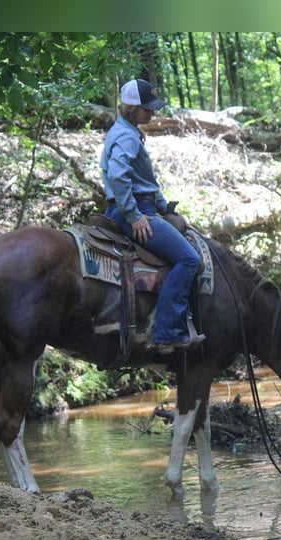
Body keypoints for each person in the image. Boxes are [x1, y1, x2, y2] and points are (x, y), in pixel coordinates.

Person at [100, 79, 205, 354]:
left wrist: (165, 207)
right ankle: (168, 331)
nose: (153, 114)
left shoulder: (126, 130)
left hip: (139, 205)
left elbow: (143, 180)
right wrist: (134, 216)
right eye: (148, 109)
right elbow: (118, 175)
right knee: (189, 258)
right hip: (132, 210)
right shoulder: (126, 136)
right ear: (132, 107)